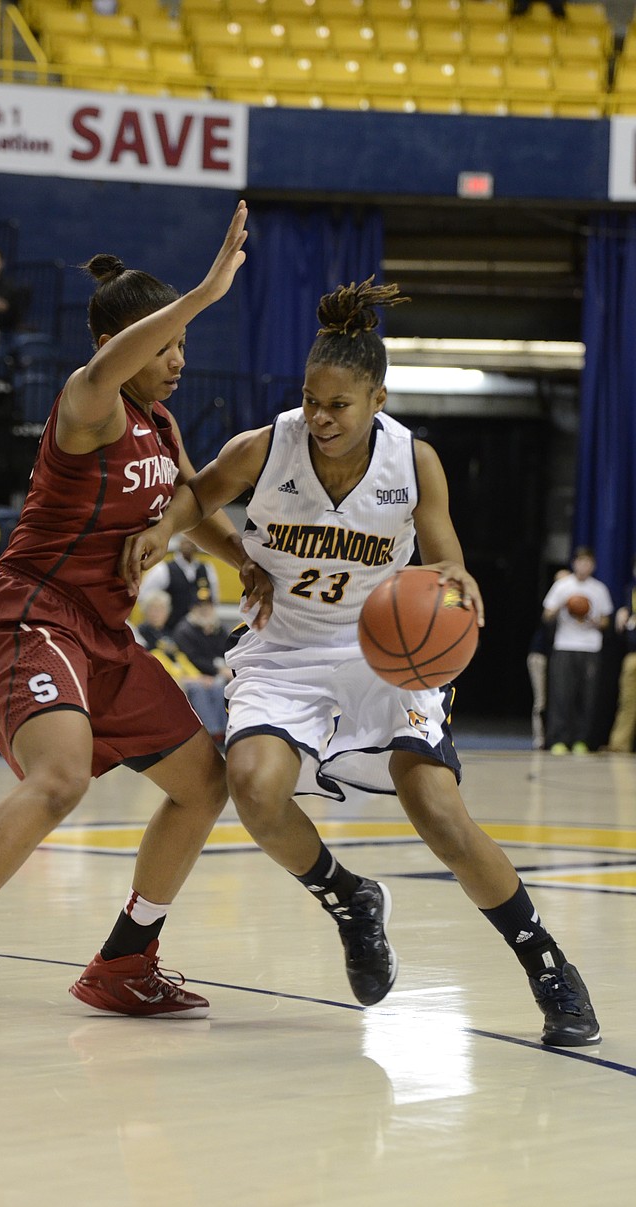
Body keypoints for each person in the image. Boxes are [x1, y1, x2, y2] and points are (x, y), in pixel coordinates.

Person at [122, 275, 601, 1048]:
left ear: (377, 398)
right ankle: (349, 898)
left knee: (439, 813)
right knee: (254, 788)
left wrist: (459, 579)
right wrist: (164, 533)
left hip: (386, 654)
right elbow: (196, 494)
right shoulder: (266, 446)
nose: (318, 416)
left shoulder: (415, 461)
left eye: (337, 404)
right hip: (285, 650)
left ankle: (547, 964)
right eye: (311, 398)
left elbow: (446, 557)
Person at [0, 200, 272, 1036]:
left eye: (184, 346)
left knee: (205, 780)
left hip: (103, 637)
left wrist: (252, 565)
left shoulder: (159, 424)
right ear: (116, 348)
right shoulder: (90, 402)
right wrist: (199, 292)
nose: (178, 360)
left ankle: (125, 959)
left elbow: (193, 503)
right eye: (164, 345)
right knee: (61, 775)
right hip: (27, 611)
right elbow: (120, 364)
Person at [542, 546, 613, 754]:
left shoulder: (599, 589)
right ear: (574, 563)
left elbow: (606, 621)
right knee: (561, 695)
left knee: (587, 697)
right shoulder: (563, 586)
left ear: (594, 565)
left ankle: (581, 740)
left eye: (588, 562)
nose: (584, 566)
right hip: (565, 645)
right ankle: (558, 740)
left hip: (590, 647)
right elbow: (546, 616)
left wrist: (593, 619)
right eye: (580, 561)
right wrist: (563, 604)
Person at [137, 588, 228, 741]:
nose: (158, 614)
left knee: (217, 687)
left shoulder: (167, 633)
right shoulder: (143, 632)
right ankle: (209, 734)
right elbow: (156, 659)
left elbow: (181, 659)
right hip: (164, 677)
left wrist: (198, 676)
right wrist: (195, 679)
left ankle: (223, 732)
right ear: (146, 611)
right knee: (198, 689)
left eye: (161, 609)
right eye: (154, 609)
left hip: (184, 676)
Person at [526, 567, 569, 751]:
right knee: (541, 699)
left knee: (560, 697)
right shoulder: (552, 604)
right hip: (540, 655)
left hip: (560, 656)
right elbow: (547, 620)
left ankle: (559, 736)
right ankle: (540, 738)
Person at [141, 533, 220, 631]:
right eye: (185, 541)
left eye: (192, 541)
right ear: (179, 543)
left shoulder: (207, 569)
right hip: (170, 629)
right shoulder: (163, 569)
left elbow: (213, 600)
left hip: (197, 631)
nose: (189, 544)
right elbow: (145, 596)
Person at [605, 553, 636, 753]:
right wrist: (624, 614)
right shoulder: (630, 593)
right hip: (632, 654)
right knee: (627, 701)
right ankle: (619, 744)